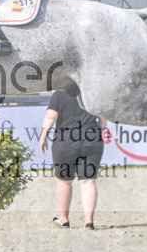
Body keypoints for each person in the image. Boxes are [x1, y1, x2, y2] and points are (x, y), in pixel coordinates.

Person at [38, 90, 107, 229]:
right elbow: (103, 120)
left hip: (65, 140)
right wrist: (97, 132)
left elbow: (51, 116)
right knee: (88, 181)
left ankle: (64, 219)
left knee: (64, 182)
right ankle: (89, 221)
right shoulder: (92, 92)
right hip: (91, 138)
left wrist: (43, 135)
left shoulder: (60, 94)